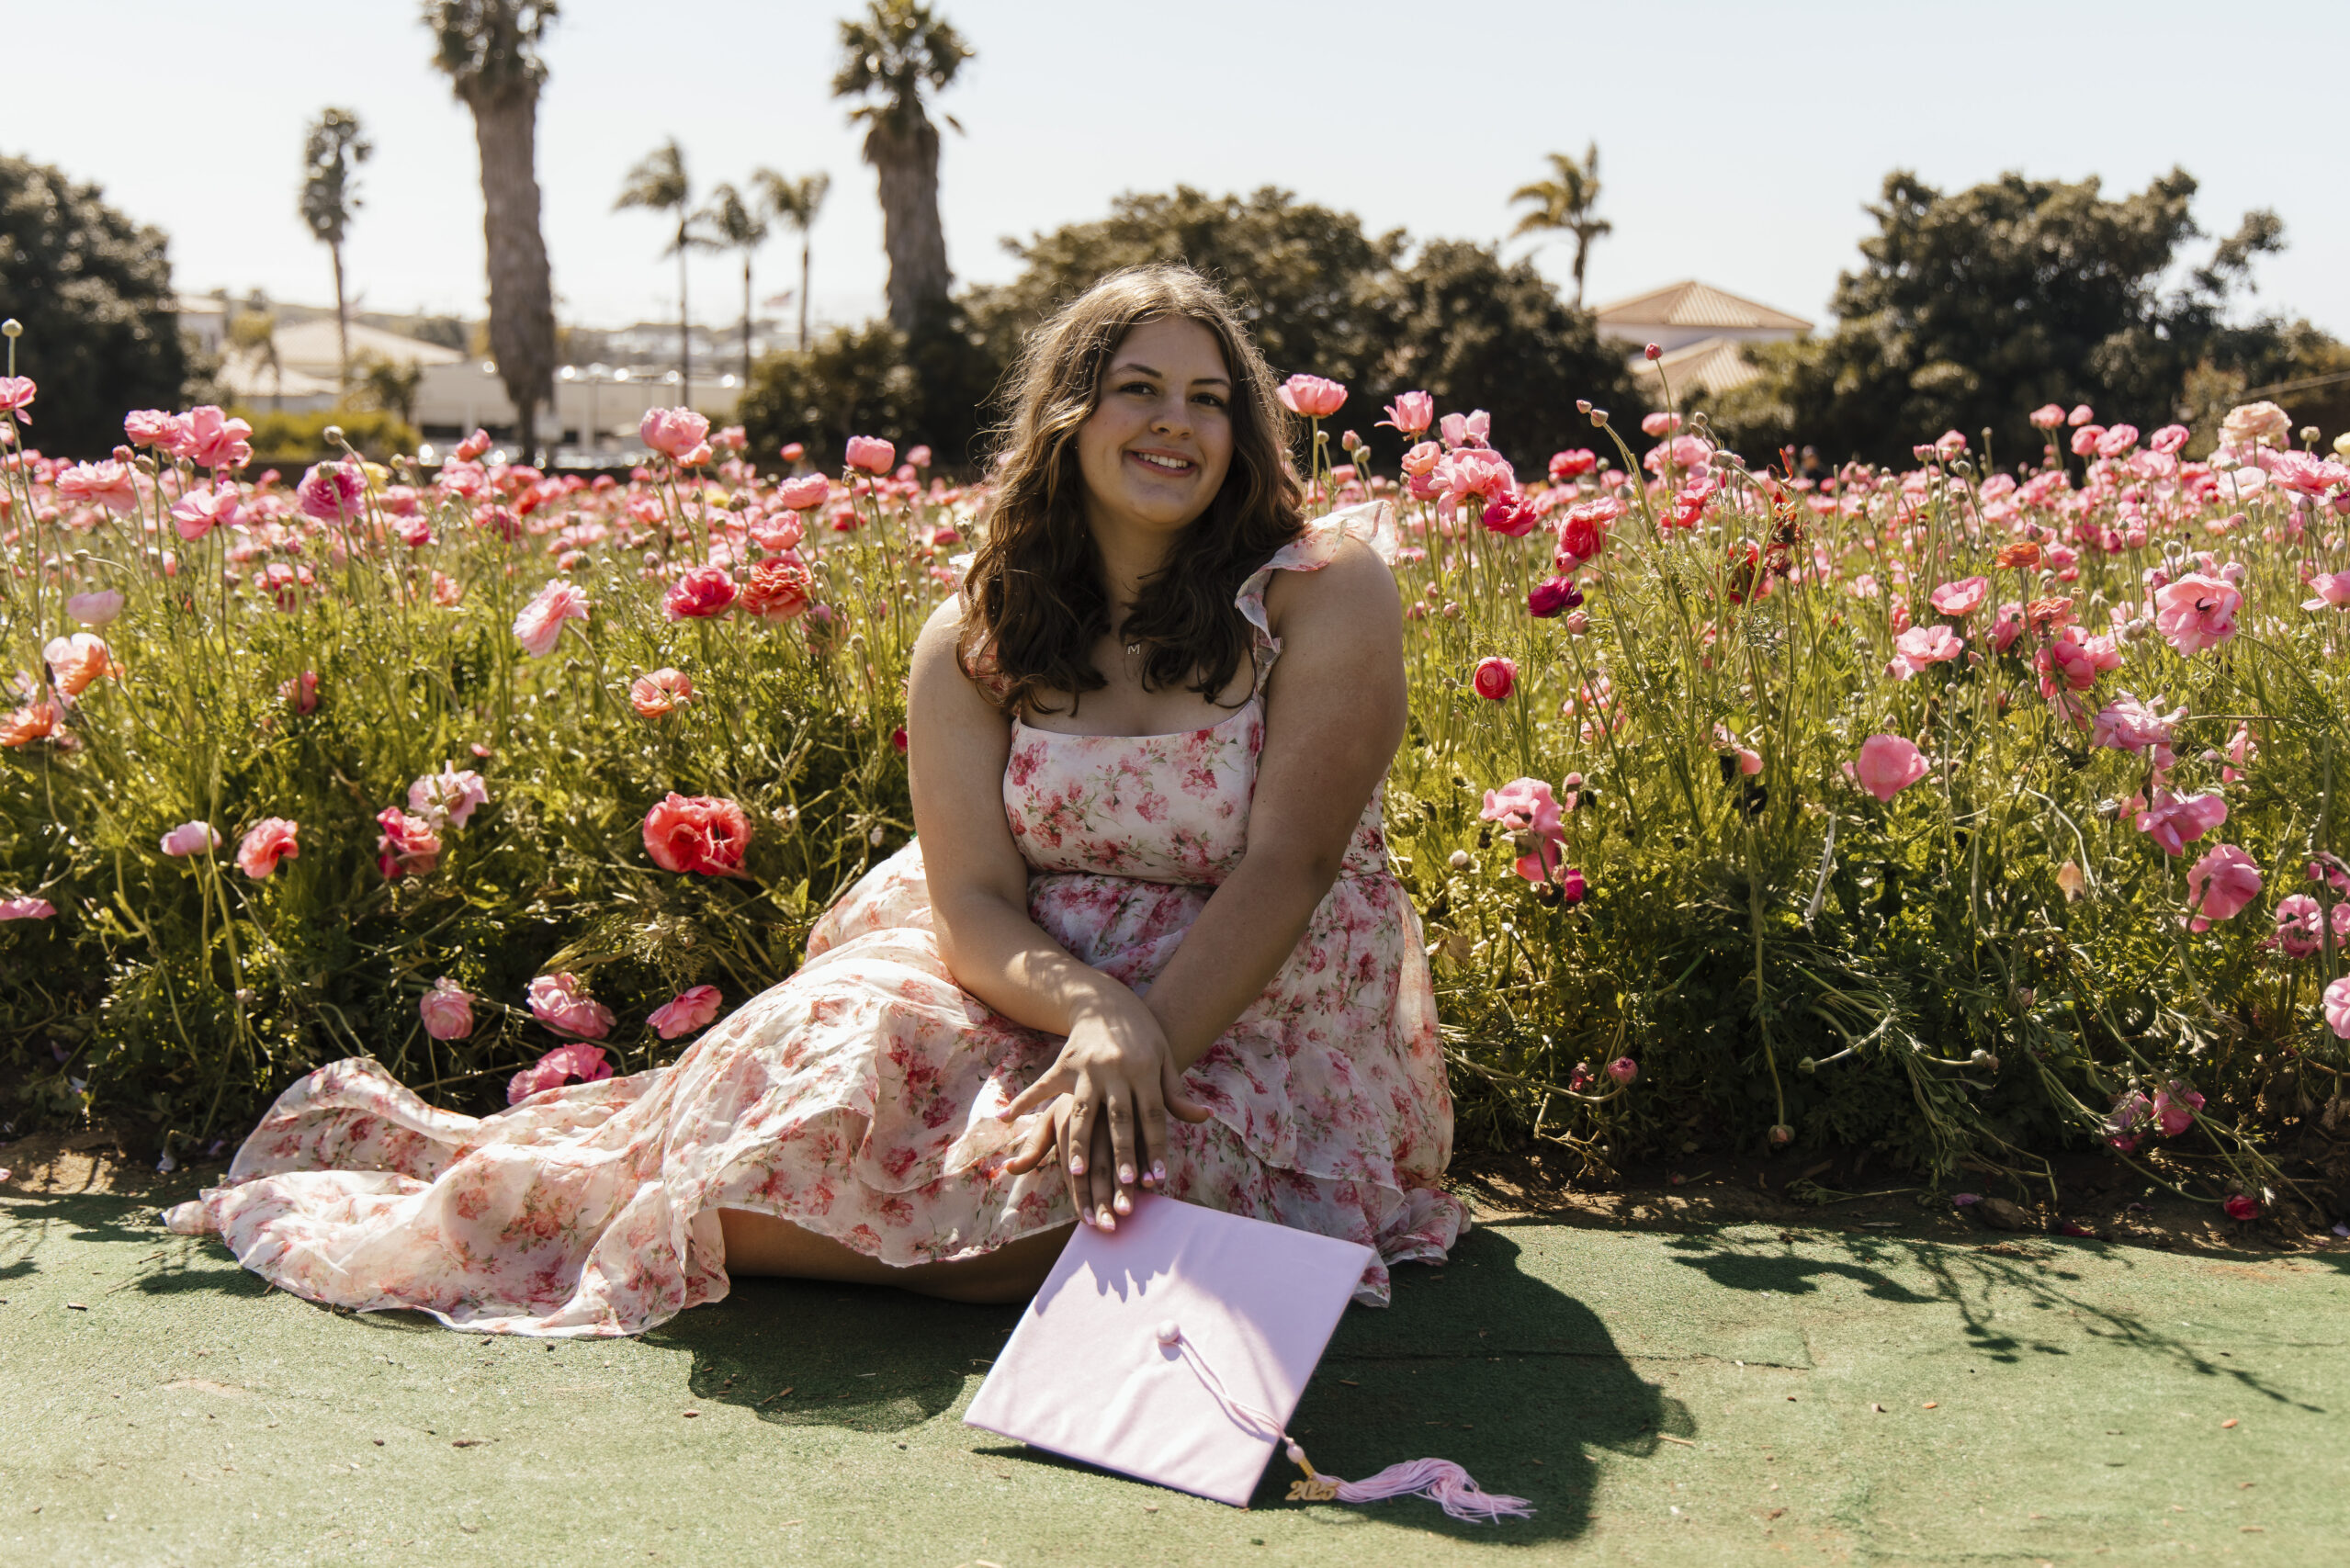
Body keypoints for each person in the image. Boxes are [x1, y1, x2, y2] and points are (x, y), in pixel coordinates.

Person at [165, 265, 1463, 1336]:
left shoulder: (1321, 589)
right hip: (1023, 971)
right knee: (816, 1073)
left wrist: (1140, 1039)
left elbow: (1289, 863)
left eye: (1207, 398)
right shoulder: (977, 632)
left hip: (1245, 985)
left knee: (1095, 1200)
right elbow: (970, 899)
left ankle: (751, 1220)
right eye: (1137, 390)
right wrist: (1091, 1013)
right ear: (1069, 418)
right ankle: (626, 1198)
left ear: (1244, 431)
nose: (1175, 423)